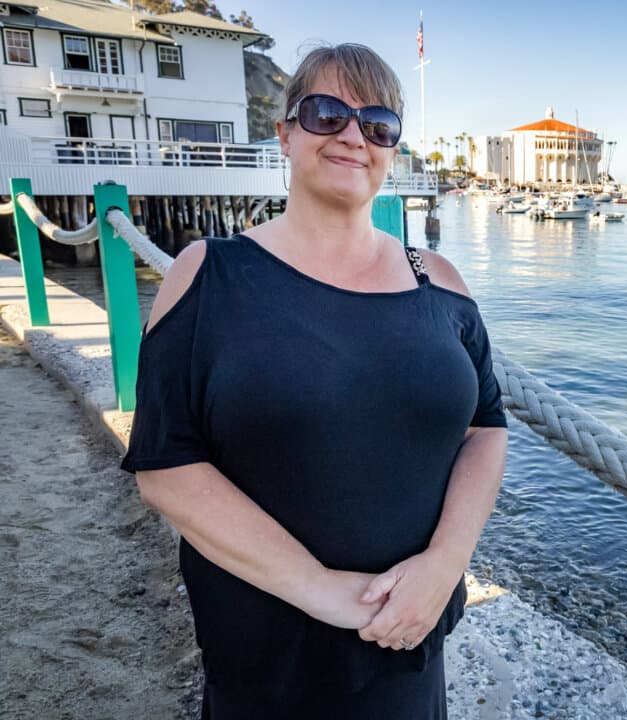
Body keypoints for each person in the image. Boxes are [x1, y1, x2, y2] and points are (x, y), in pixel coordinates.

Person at [121, 43, 508, 719]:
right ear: (286, 133)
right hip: (268, 663)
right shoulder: (208, 275)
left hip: (409, 646)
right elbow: (166, 465)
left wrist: (447, 562)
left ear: (391, 150)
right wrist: (321, 589)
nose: (354, 136)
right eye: (327, 113)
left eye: (378, 124)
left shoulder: (440, 281)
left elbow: (486, 429)